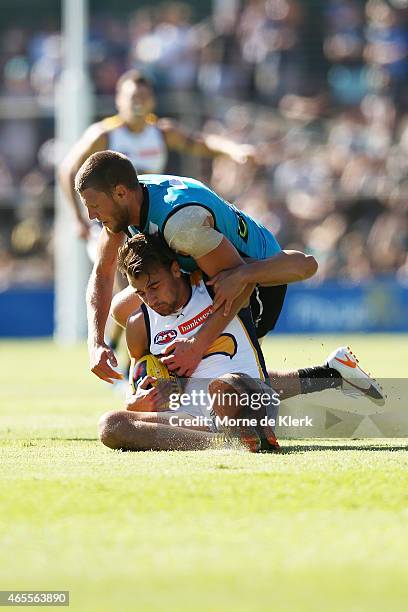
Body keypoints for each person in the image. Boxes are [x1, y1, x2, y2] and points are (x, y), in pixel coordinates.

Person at [97, 234, 384, 453]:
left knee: (223, 385)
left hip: (245, 397)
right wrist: (135, 401)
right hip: (192, 422)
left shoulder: (218, 286)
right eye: (142, 293)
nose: (151, 299)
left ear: (175, 269)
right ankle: (231, 442)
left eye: (155, 287)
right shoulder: (140, 325)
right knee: (111, 425)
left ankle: (243, 433)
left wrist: (246, 273)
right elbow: (140, 381)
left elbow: (305, 265)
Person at [59, 69, 255, 241]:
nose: (138, 103)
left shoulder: (162, 132)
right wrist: (78, 218)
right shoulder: (104, 135)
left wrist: (234, 150)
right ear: (119, 100)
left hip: (148, 215)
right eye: (133, 97)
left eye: (143, 97)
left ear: (152, 101)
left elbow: (201, 143)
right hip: (114, 220)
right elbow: (68, 170)